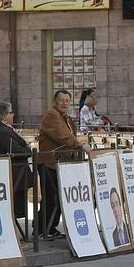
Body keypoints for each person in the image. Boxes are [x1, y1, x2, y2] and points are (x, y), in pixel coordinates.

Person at [37, 90, 91, 239]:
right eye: (61, 100)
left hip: (61, 163)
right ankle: (42, 229)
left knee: (58, 197)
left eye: (67, 101)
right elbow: (63, 135)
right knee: (50, 197)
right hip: (49, 163)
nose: (65, 103)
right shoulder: (51, 115)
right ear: (55, 101)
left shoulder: (65, 117)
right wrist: (79, 145)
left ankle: (50, 227)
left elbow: (69, 134)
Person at [0, 101, 32, 218]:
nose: (13, 115)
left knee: (19, 206)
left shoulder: (5, 128)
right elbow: (16, 151)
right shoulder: (2, 131)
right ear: (3, 115)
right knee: (15, 208)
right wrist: (28, 150)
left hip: (17, 173)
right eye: (11, 112)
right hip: (14, 174)